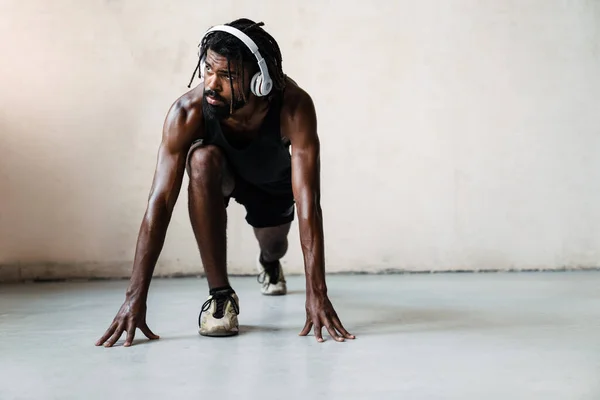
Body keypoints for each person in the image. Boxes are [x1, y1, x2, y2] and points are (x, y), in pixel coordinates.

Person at [95, 18, 354, 347]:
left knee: (275, 245)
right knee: (200, 160)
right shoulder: (187, 112)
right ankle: (221, 295)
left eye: (227, 76)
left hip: (271, 186)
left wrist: (316, 292)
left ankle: (269, 263)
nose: (212, 84)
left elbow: (307, 202)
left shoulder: (294, 108)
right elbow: (159, 202)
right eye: (208, 70)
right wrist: (135, 296)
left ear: (260, 81)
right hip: (222, 176)